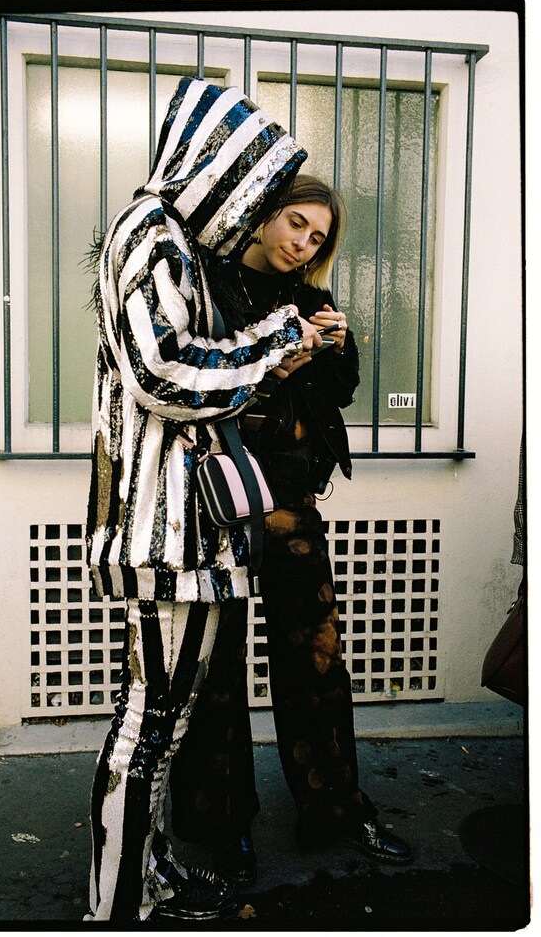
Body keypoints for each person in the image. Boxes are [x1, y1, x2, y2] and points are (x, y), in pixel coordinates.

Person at [83, 77, 323, 923]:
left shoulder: (159, 237)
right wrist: (279, 341)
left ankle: (145, 877)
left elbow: (186, 362)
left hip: (178, 529)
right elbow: (166, 374)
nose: (255, 204)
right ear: (216, 166)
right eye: (255, 185)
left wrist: (270, 345)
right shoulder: (152, 237)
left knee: (162, 723)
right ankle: (118, 900)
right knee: (150, 725)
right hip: (164, 532)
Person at [169, 173, 413, 886]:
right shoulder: (209, 286)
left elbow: (339, 392)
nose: (302, 243)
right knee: (218, 670)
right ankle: (225, 827)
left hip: (293, 501)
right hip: (222, 500)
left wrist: (334, 346)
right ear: (266, 214)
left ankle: (337, 805)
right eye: (296, 223)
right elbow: (197, 381)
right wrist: (276, 358)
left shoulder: (313, 298)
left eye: (316, 237)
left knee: (316, 658)